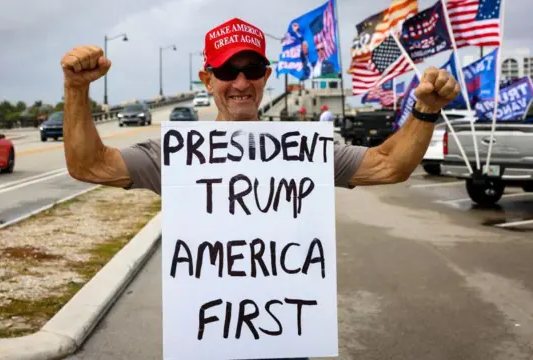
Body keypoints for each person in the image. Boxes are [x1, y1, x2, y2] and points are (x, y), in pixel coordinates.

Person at [61, 17, 460, 360]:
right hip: (206, 339)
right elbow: (89, 164)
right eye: (226, 71)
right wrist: (77, 90)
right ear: (207, 79)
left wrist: (426, 110)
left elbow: (389, 166)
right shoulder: (174, 153)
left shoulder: (304, 149)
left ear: (266, 76)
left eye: (252, 69)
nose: (240, 82)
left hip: (283, 337)